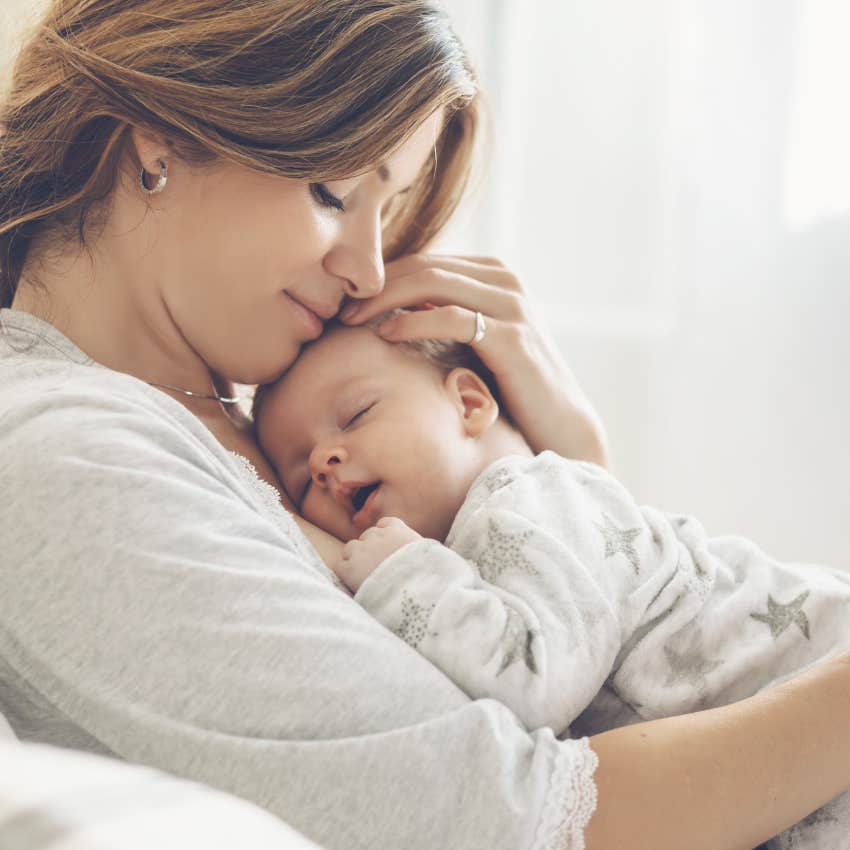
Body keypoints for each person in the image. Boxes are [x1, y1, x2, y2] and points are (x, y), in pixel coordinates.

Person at [1, 2, 849, 849]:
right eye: (334, 191)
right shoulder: (61, 453)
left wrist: (575, 476)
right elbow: (515, 818)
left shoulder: (250, 415)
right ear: (155, 145)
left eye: (391, 204)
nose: (368, 264)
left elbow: (583, 688)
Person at [254, 316, 850, 847]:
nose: (323, 462)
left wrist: (401, 573)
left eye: (355, 415)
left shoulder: (527, 495)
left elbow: (536, 682)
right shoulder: (483, 547)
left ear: (469, 403)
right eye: (300, 481)